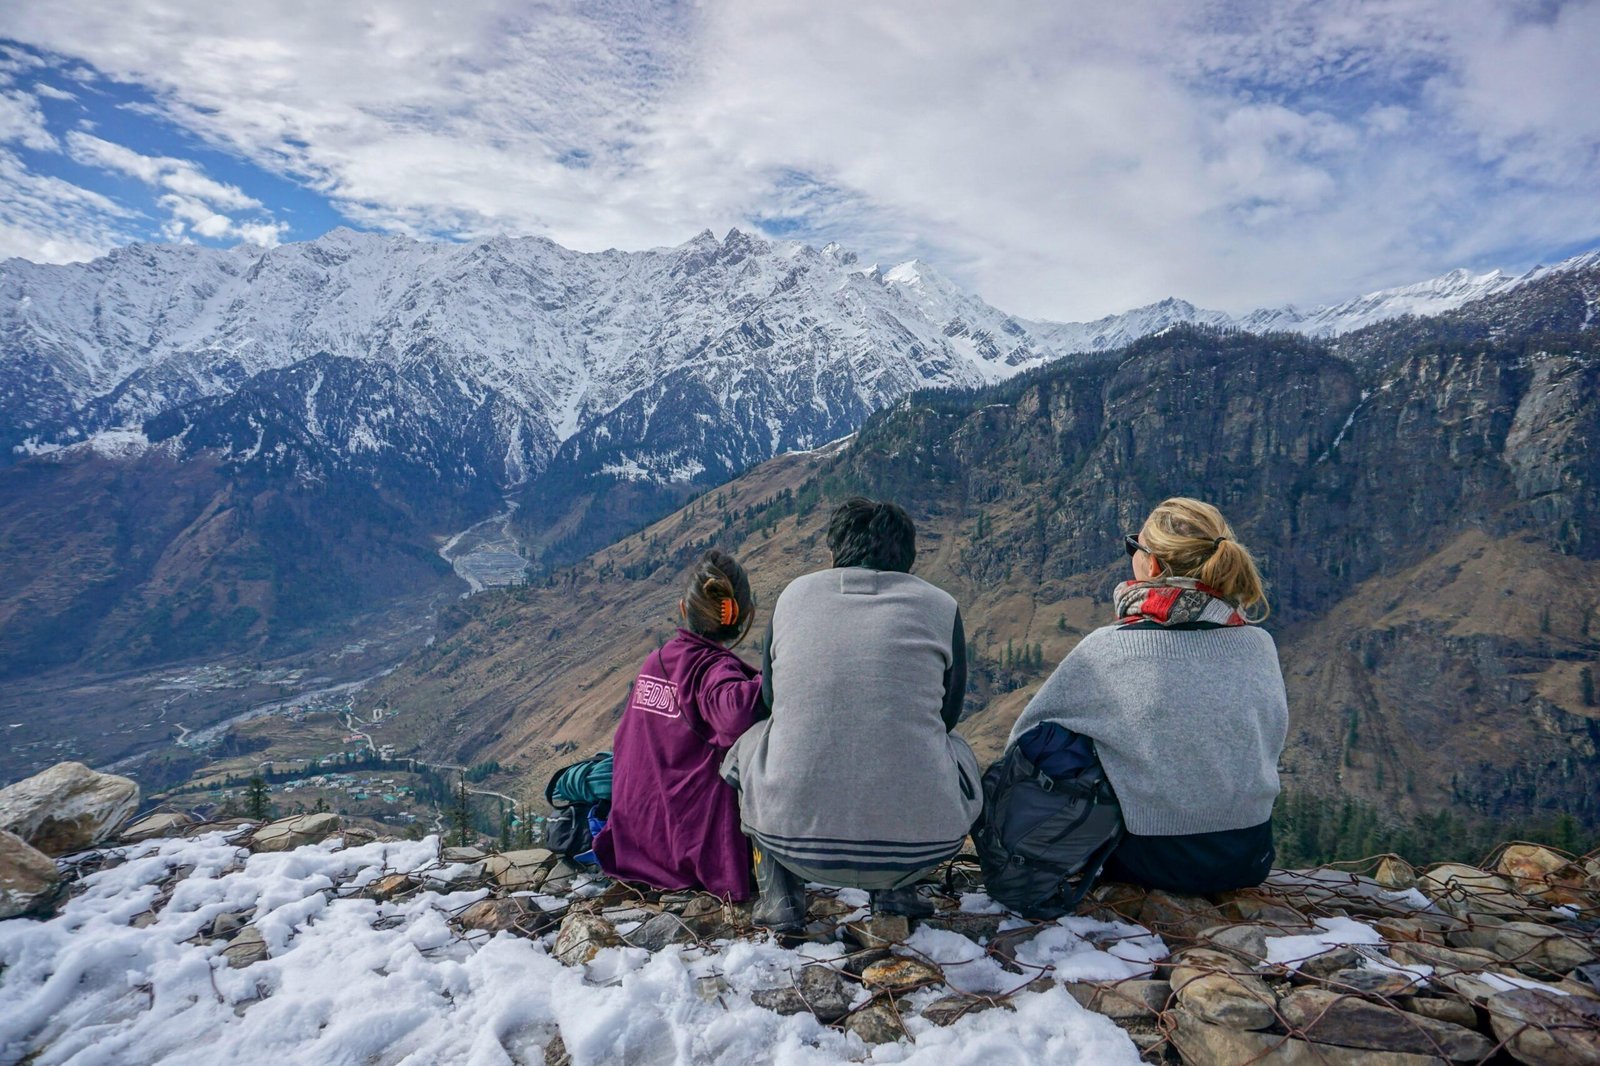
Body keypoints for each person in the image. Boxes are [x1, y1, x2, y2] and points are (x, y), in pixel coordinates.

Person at [1004, 497, 1288, 894]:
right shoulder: (1259, 643)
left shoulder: (1110, 648)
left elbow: (1023, 744)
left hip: (1150, 860)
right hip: (1249, 854)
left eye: (1134, 546)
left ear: (1151, 564)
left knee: (1052, 741)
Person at [722, 497, 982, 931]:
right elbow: (947, 715)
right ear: (909, 556)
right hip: (919, 847)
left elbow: (771, 701)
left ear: (834, 552)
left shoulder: (793, 597)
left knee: (752, 742)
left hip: (793, 843)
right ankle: (898, 891)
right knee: (954, 747)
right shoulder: (941, 607)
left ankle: (780, 899)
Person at [592, 549, 763, 899]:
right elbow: (736, 715)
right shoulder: (715, 670)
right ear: (743, 617)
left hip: (637, 843)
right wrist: (775, 677)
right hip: (690, 855)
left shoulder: (656, 661)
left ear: (685, 609)